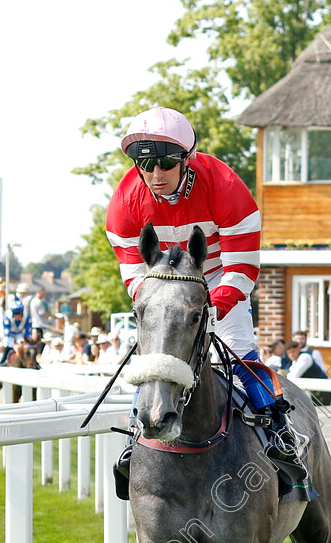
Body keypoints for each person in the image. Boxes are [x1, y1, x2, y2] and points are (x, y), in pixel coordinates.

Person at [106, 107, 305, 488]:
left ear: (186, 159)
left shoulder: (225, 185)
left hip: (216, 278)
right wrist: (159, 308)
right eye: (144, 163)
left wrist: (212, 307)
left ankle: (282, 439)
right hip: (163, 286)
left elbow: (241, 270)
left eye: (165, 162)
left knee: (241, 352)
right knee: (153, 359)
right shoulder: (123, 202)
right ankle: (137, 437)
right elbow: (134, 275)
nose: (155, 174)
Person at [0, 300, 32, 364]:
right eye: (16, 314)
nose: (18, 316)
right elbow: (6, 333)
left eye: (20, 314)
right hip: (9, 335)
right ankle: (2, 360)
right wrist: (14, 345)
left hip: (20, 334)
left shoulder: (27, 317)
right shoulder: (7, 317)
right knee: (6, 344)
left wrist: (27, 340)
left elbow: (28, 331)